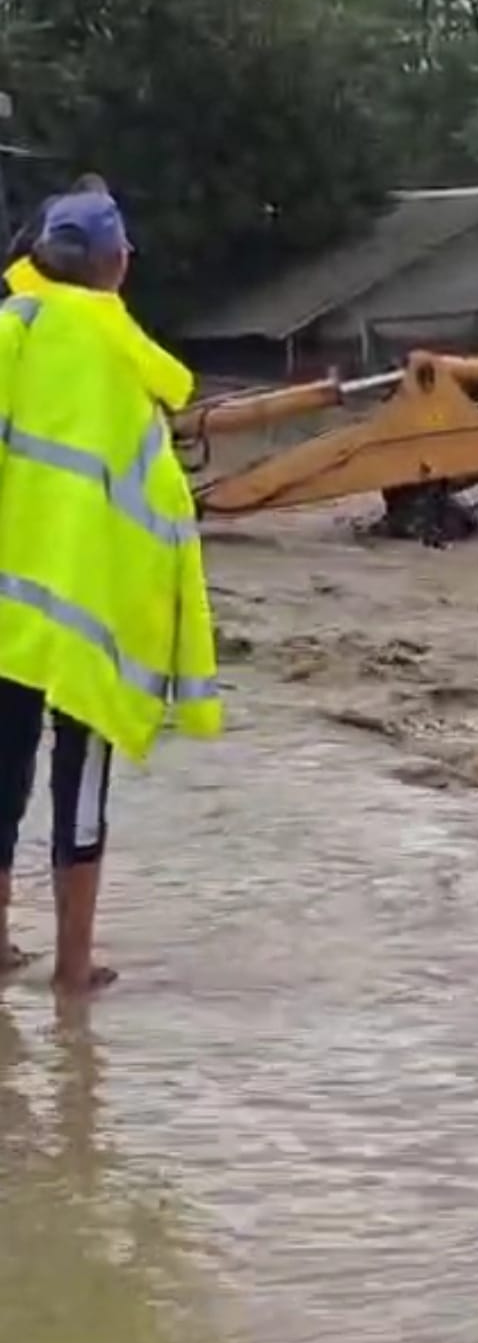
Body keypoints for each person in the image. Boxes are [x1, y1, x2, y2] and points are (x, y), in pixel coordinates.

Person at [0, 188, 220, 993]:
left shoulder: (8, 333)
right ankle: (71, 967)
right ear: (117, 267)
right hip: (90, 631)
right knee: (78, 796)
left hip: (8, 617)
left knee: (0, 779)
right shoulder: (126, 367)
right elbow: (164, 513)